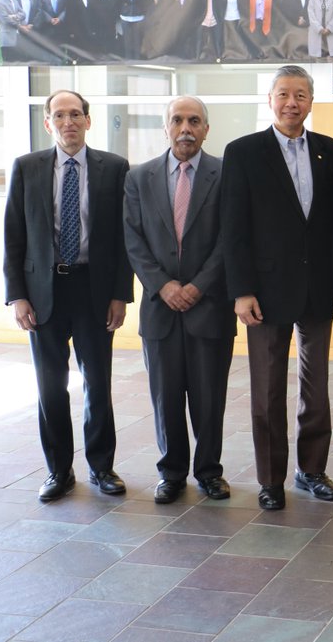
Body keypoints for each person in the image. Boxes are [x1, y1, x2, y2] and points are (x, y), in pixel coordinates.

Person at [221, 66, 333, 511]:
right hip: (264, 294)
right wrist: (241, 290)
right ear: (270, 100)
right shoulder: (244, 152)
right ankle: (271, 478)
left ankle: (311, 470)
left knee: (316, 386)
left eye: (301, 95)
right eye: (284, 94)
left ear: (312, 101)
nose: (292, 103)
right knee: (267, 389)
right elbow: (232, 228)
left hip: (318, 290)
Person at [4, 90, 133, 502]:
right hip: (44, 292)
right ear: (48, 124)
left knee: (97, 383)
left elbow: (123, 239)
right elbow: (13, 237)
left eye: (75, 114)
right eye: (59, 115)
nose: (68, 122)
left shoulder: (114, 168)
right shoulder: (27, 168)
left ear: (88, 121)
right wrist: (17, 296)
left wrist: (120, 294)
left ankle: (102, 467)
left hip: (93, 288)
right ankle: (59, 471)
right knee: (50, 386)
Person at [123, 96, 236, 504]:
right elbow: (133, 240)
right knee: (165, 395)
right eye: (177, 120)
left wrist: (198, 285)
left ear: (206, 128)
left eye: (194, 121)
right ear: (165, 127)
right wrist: (164, 285)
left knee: (209, 397)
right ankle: (171, 473)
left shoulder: (226, 174)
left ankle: (209, 471)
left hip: (209, 306)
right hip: (160, 309)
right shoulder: (139, 178)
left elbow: (230, 239)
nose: (185, 128)